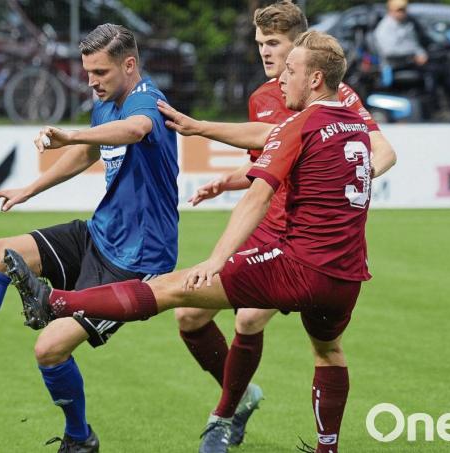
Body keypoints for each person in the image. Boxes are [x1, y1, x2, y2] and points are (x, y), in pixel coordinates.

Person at [5, 29, 374, 453]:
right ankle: (328, 447)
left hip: (298, 267)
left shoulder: (301, 124)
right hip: (346, 278)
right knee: (328, 353)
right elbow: (269, 136)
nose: (282, 77)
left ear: (314, 80)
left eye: (291, 69)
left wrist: (217, 259)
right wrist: (199, 128)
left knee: (170, 288)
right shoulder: (352, 123)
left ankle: (56, 302)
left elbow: (258, 196)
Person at [0, 24, 179, 453]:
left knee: (49, 349)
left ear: (130, 65)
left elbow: (135, 130)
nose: (91, 81)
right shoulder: (105, 102)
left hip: (138, 262)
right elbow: (87, 152)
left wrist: (73, 133)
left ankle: (80, 438)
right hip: (98, 236)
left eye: (100, 72)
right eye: (87, 71)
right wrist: (29, 189)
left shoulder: (145, 100)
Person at [155, 2, 396, 450]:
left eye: (275, 44)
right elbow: (269, 160)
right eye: (260, 43)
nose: (266, 53)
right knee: (189, 315)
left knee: (248, 318)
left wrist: (349, 178)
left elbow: (383, 151)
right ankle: (242, 398)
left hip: (304, 237)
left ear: (300, 47)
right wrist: (229, 181)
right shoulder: (265, 96)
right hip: (265, 224)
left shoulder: (337, 98)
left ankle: (223, 417)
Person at [372, 0, 429, 67]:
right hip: (393, 67)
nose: (403, 12)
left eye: (404, 9)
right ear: (390, 11)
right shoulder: (383, 28)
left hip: (411, 64)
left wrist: (421, 53)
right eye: (399, 10)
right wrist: (413, 56)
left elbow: (414, 43)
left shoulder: (408, 24)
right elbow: (389, 51)